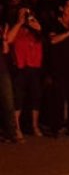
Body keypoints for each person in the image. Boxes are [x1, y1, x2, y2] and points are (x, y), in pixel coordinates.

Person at [6, 7, 45, 138]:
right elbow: (9, 39)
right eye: (22, 12)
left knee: (36, 96)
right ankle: (17, 128)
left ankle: (35, 126)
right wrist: (19, 23)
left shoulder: (35, 26)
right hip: (20, 67)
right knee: (18, 98)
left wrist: (33, 23)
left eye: (27, 12)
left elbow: (41, 34)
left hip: (34, 67)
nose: (25, 14)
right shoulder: (15, 27)